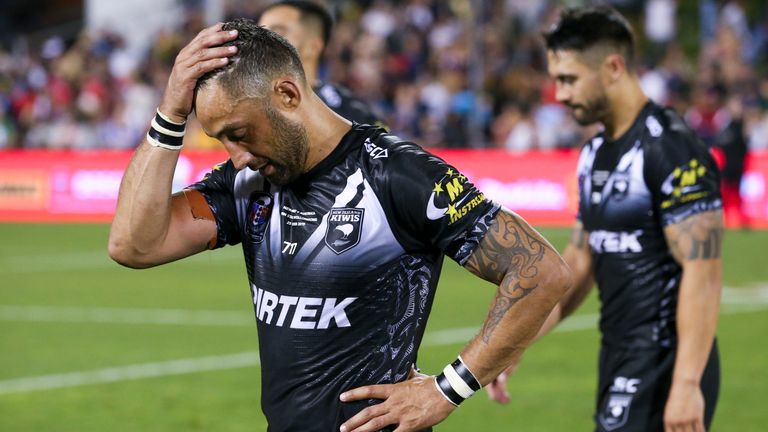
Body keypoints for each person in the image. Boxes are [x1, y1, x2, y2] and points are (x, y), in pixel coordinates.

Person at [107, 19, 572, 432]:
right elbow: (133, 244)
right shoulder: (247, 185)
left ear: (287, 95)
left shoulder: (397, 174)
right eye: (221, 140)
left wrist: (445, 390)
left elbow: (539, 270)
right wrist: (169, 113)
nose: (237, 155)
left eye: (239, 132)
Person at [486, 6, 723, 432]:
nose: (558, 94)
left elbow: (703, 273)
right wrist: (517, 340)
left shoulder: (670, 148)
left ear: (613, 67)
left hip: (665, 359)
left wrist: (687, 382)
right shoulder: (595, 153)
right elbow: (580, 262)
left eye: (569, 79)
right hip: (618, 353)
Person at [257, 0, 383, 127]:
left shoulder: (352, 115)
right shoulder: (246, 104)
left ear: (313, 47)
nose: (262, 41)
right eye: (260, 33)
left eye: (278, 32)